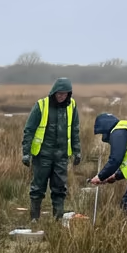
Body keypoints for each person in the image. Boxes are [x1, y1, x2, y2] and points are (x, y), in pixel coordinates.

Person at [21, 77, 81, 221]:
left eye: (65, 94)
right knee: (37, 187)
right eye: (59, 93)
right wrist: (26, 153)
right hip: (43, 154)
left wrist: (77, 150)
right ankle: (34, 218)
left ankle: (58, 219)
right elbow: (29, 130)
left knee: (59, 188)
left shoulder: (72, 105)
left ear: (69, 94)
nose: (61, 96)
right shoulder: (41, 105)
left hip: (62, 155)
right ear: (54, 92)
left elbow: (75, 130)